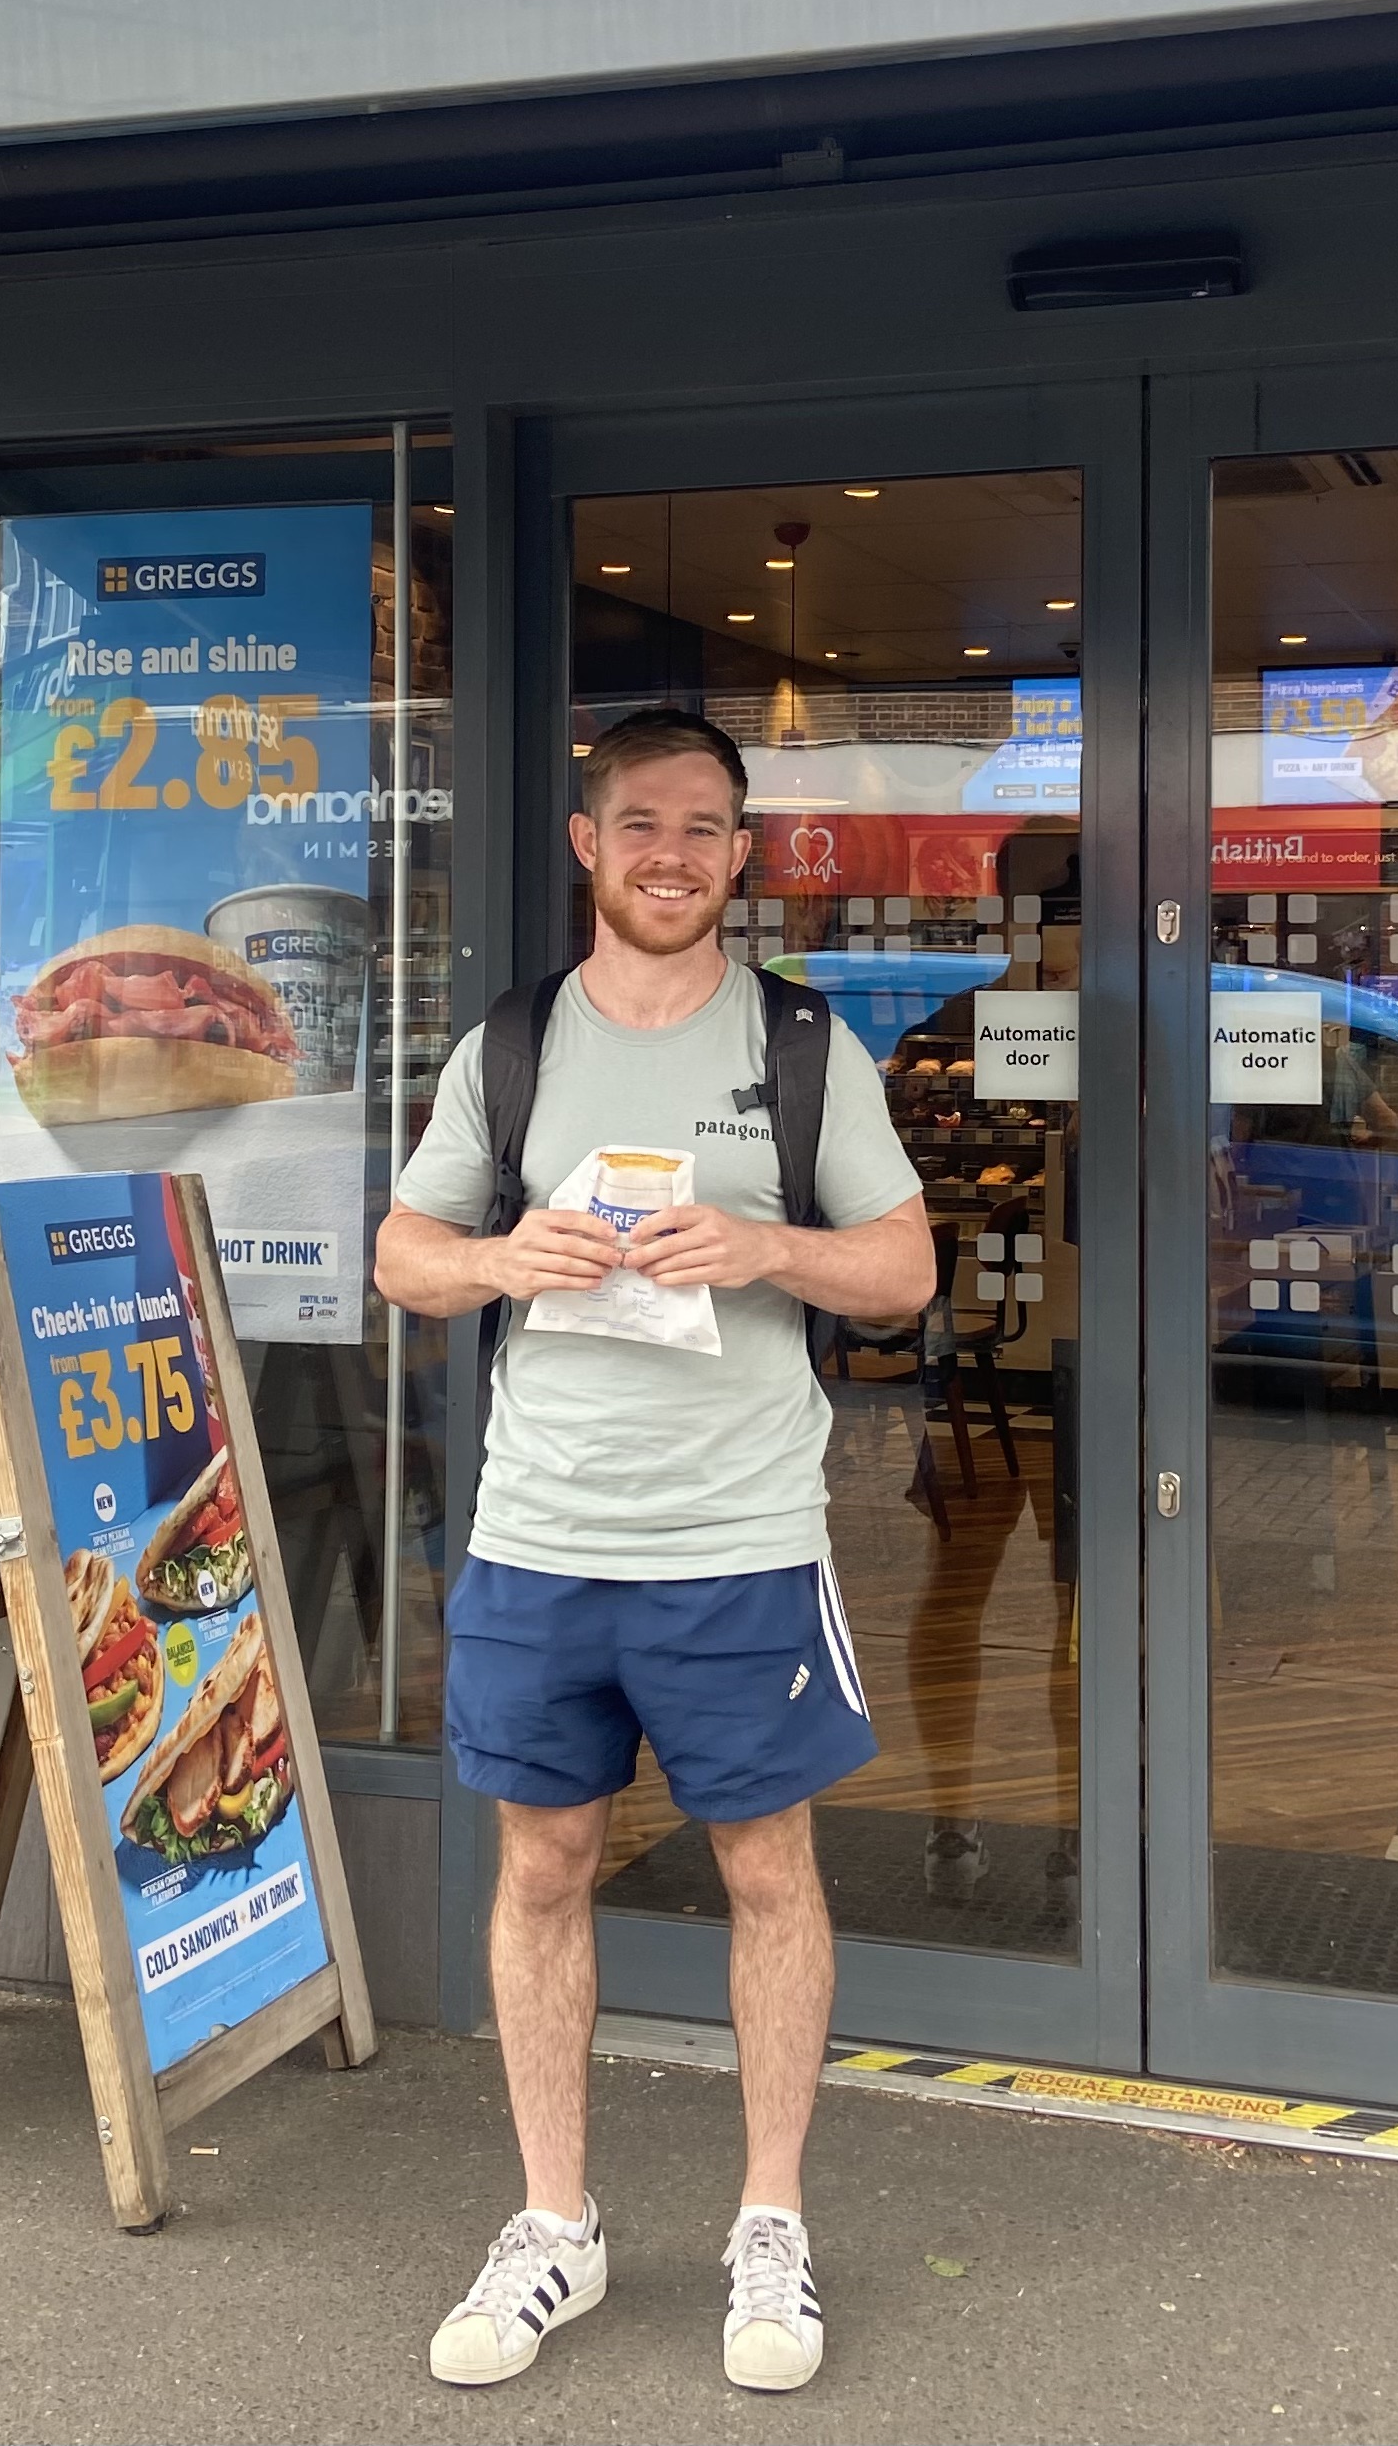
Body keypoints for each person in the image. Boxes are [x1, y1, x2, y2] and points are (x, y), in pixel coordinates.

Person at [376, 706, 934, 2396]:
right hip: (540, 1535)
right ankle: (557, 2221)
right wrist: (501, 1257)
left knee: (771, 1872)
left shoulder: (804, 1048)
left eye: (704, 825)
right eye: (640, 823)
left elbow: (903, 1268)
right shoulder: (513, 1045)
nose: (671, 853)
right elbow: (402, 1249)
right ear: (586, 841)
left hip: (741, 1542)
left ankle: (771, 2220)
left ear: (743, 850)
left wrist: (767, 1241)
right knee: (541, 1870)